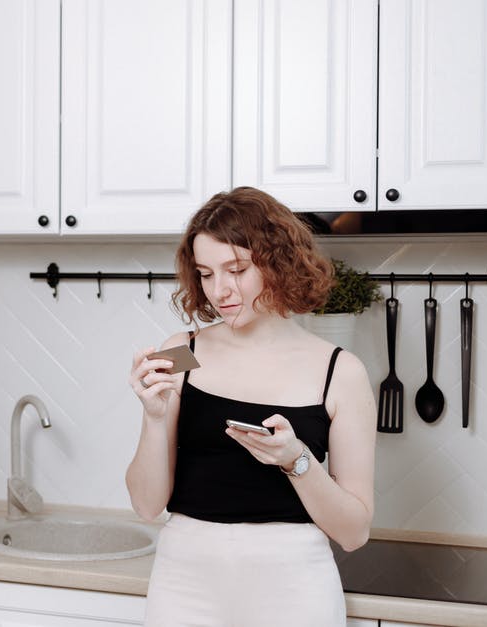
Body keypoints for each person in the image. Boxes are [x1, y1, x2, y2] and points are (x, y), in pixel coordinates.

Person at [125, 186, 376, 626]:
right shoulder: (182, 351)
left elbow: (354, 532)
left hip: (295, 591)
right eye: (205, 273)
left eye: (236, 269)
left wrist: (297, 460)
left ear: (277, 263)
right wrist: (154, 416)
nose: (219, 290)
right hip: (184, 584)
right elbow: (147, 506)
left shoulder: (340, 372)